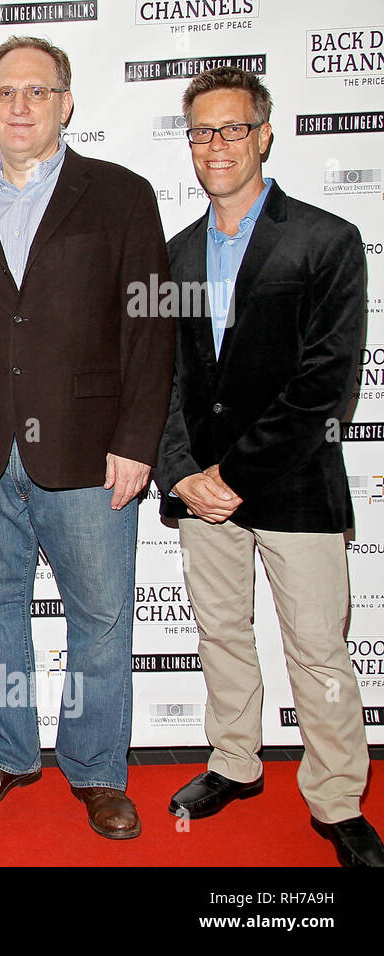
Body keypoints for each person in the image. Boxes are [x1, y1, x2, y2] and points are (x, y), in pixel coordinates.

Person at [0, 35, 174, 839]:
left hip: (92, 452)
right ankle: (7, 751)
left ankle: (97, 770)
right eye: (4, 92)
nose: (19, 106)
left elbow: (151, 324)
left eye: (36, 91)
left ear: (66, 103)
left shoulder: (121, 195)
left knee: (99, 618)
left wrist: (137, 439)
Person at [156, 67, 382, 868]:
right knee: (221, 634)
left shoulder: (325, 240)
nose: (216, 146)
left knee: (318, 649)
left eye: (232, 129)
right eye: (201, 132)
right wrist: (184, 473)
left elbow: (325, 381)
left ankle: (337, 798)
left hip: (291, 483)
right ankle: (233, 762)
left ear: (264, 135)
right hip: (200, 492)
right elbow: (165, 381)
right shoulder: (174, 254)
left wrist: (233, 474)